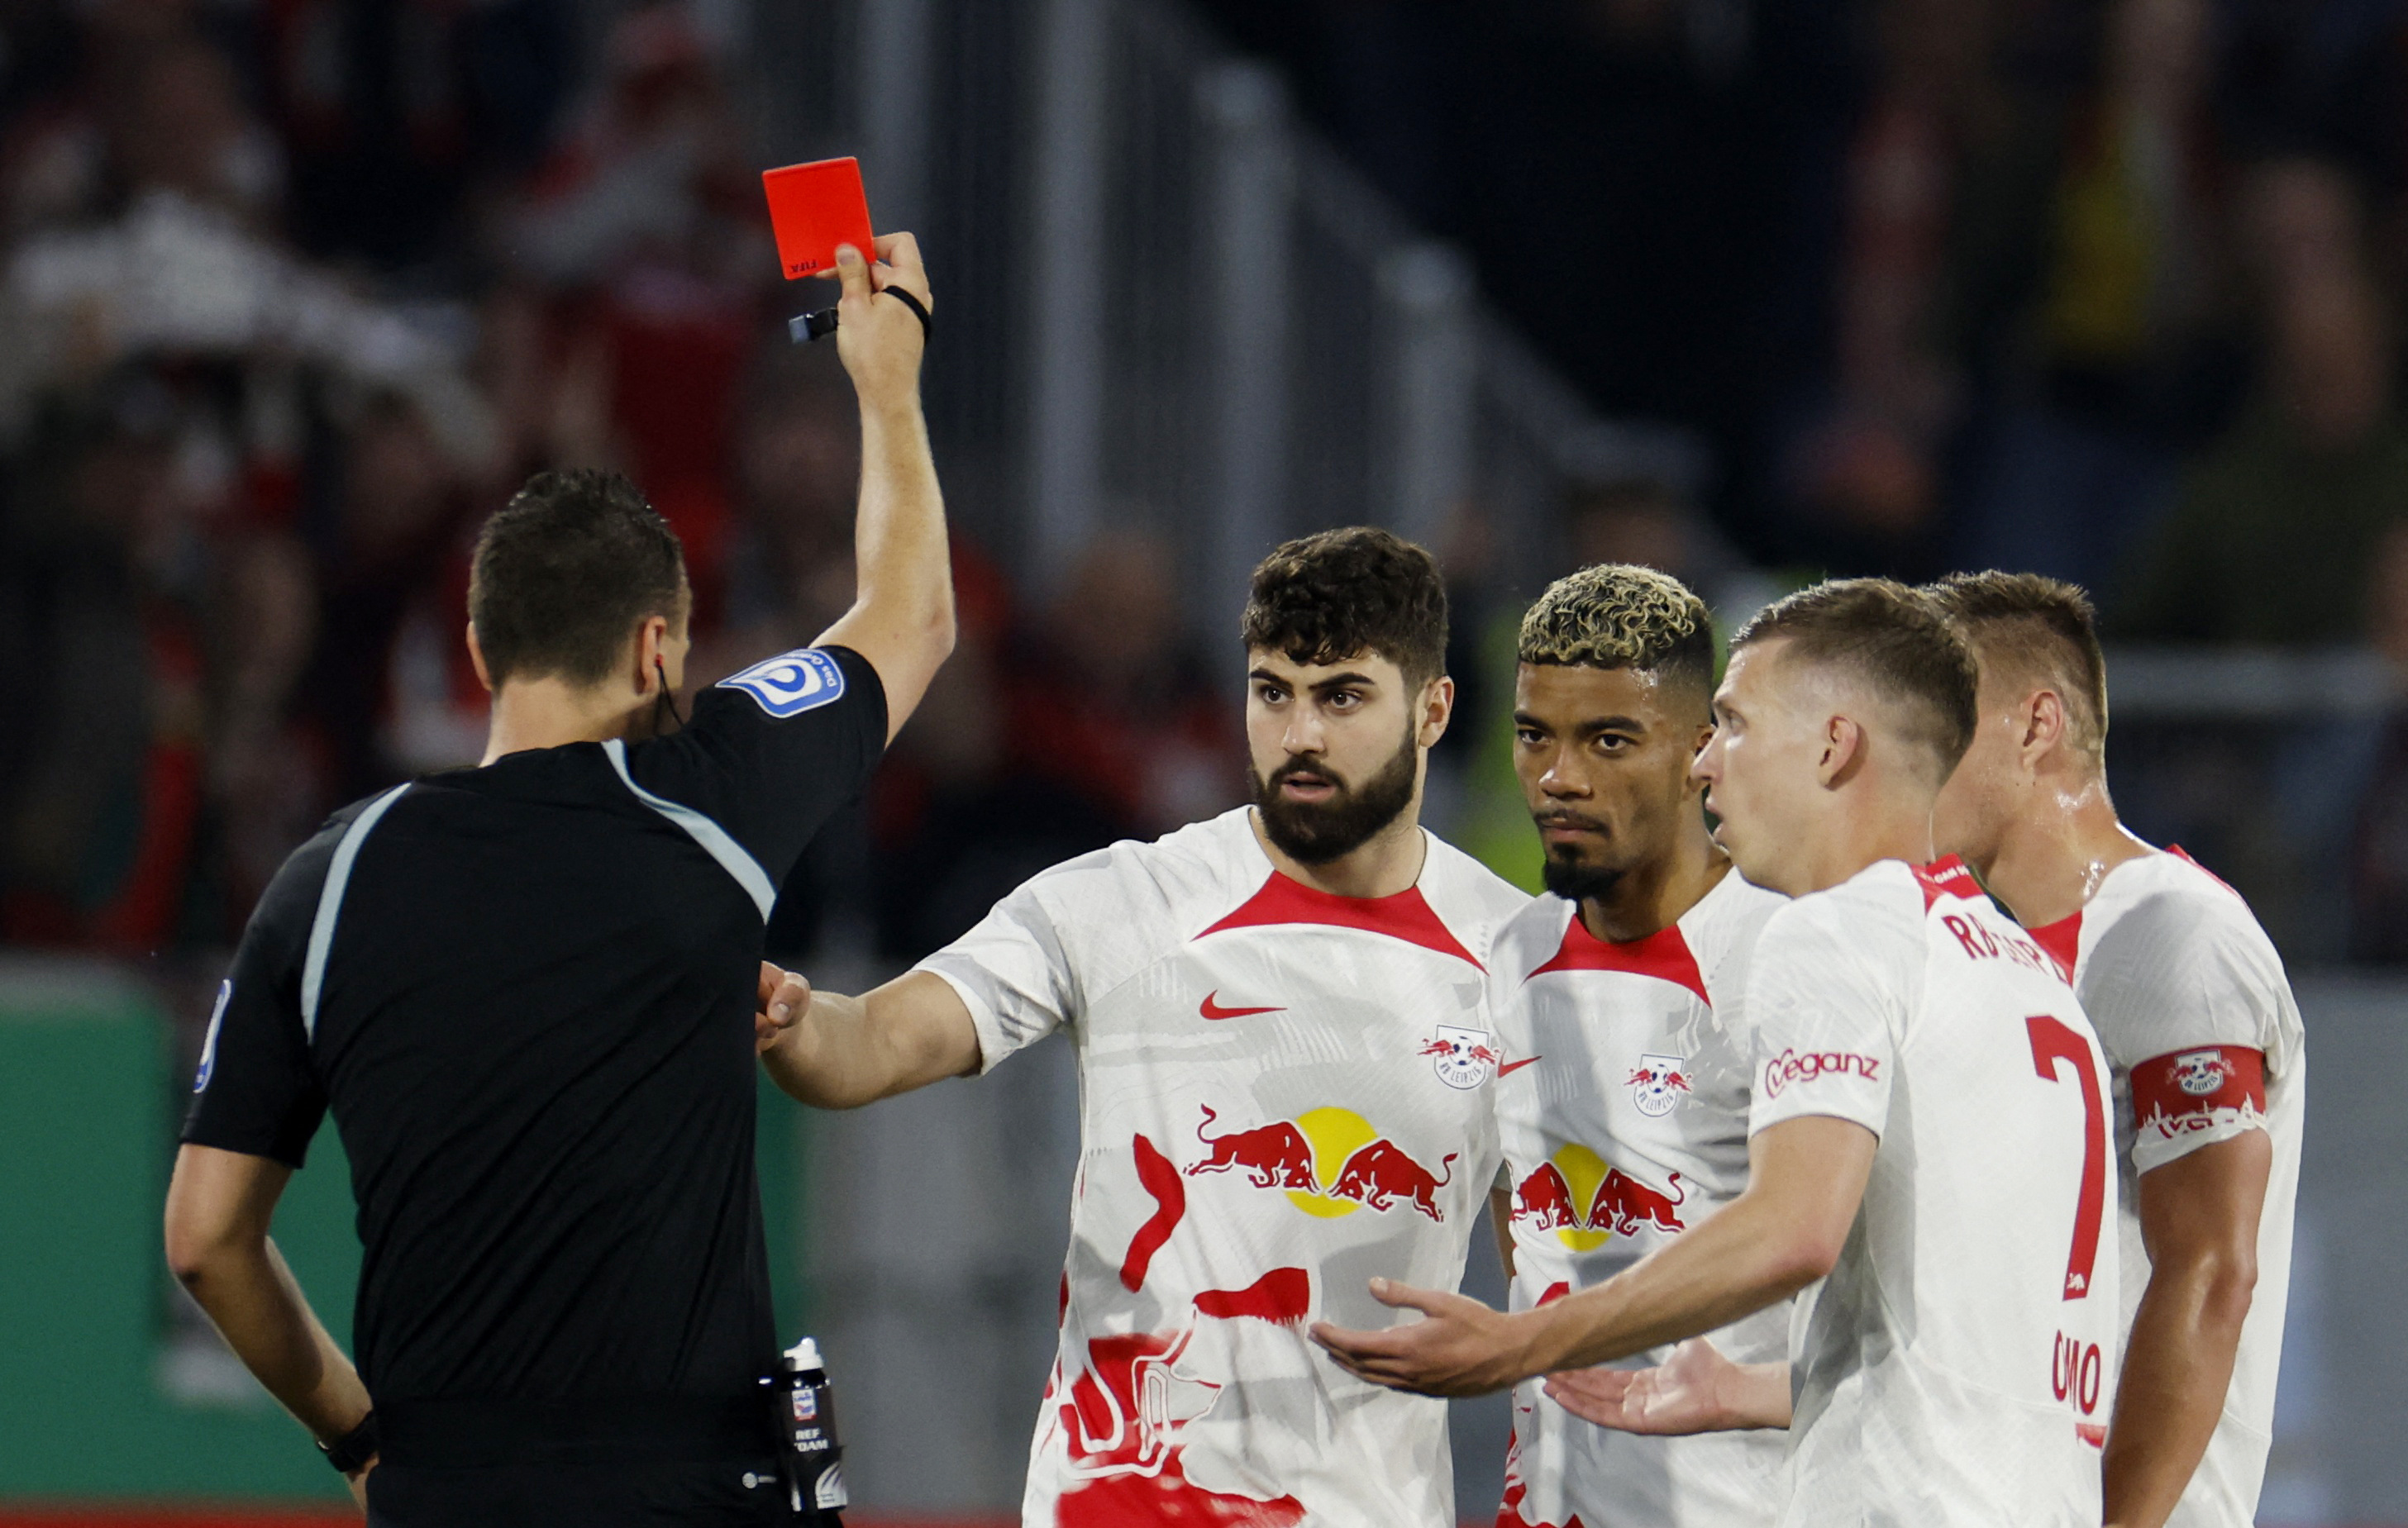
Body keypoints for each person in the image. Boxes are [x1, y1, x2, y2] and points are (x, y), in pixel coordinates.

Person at [160, 235, 950, 1525]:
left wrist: (359, 1437)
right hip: (694, 1488)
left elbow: (206, 1239)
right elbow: (907, 618)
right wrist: (886, 376)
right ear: (656, 648)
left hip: (447, 1490)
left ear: (479, 646)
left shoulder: (328, 880)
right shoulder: (708, 797)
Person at [754, 527, 1528, 1527]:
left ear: (1432, 709)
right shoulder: (1126, 899)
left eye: (1341, 696)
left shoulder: (1521, 963)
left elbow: (1578, 1289)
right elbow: (877, 1042)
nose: (1299, 733)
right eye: (1273, 690)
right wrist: (798, 1021)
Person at [1312, 578, 2122, 1527]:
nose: (1708, 769)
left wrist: (1524, 1341)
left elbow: (1793, 1230)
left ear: (1833, 745)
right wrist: (1750, 1388)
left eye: (1733, 726)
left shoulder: (1833, 936)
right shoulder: (2022, 965)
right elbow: (1977, 1339)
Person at [1927, 571, 2302, 1528]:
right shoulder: (1983, 953)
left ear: (2036, 724)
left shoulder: (2175, 938)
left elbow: (2213, 1268)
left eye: (1934, 724)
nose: (1906, 758)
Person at [1485, 564, 1789, 1528]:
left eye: (1609, 740)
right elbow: (1521, 1213)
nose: (1560, 777)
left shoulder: (1787, 955)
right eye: (1536, 736)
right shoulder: (1512, 954)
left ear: (1702, 750)